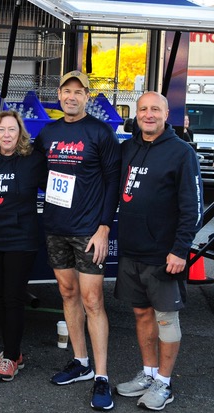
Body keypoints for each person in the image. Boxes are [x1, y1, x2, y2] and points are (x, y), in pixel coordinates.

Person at [34, 70, 121, 411]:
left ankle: (101, 376)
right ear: (58, 95)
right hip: (55, 226)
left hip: (88, 231)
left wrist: (104, 227)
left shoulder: (100, 133)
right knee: (67, 294)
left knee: (93, 300)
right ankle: (80, 362)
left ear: (87, 96)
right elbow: (41, 174)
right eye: (66, 91)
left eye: (78, 92)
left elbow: (113, 182)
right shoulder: (49, 133)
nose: (71, 96)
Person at [115, 91, 202, 411]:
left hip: (165, 255)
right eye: (143, 109)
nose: (148, 114)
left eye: (155, 109)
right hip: (132, 251)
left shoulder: (181, 153)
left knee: (166, 319)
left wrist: (180, 249)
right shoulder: (128, 148)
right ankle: (149, 373)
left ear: (167, 114)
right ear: (136, 114)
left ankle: (164, 383)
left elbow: (192, 207)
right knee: (140, 313)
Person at [0, 110, 47, 382]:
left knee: (14, 298)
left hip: (21, 239)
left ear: (20, 134)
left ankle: (12, 356)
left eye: (12, 130)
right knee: (0, 298)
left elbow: (58, 184)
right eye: (1, 130)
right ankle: (11, 352)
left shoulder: (33, 161)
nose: (6, 134)